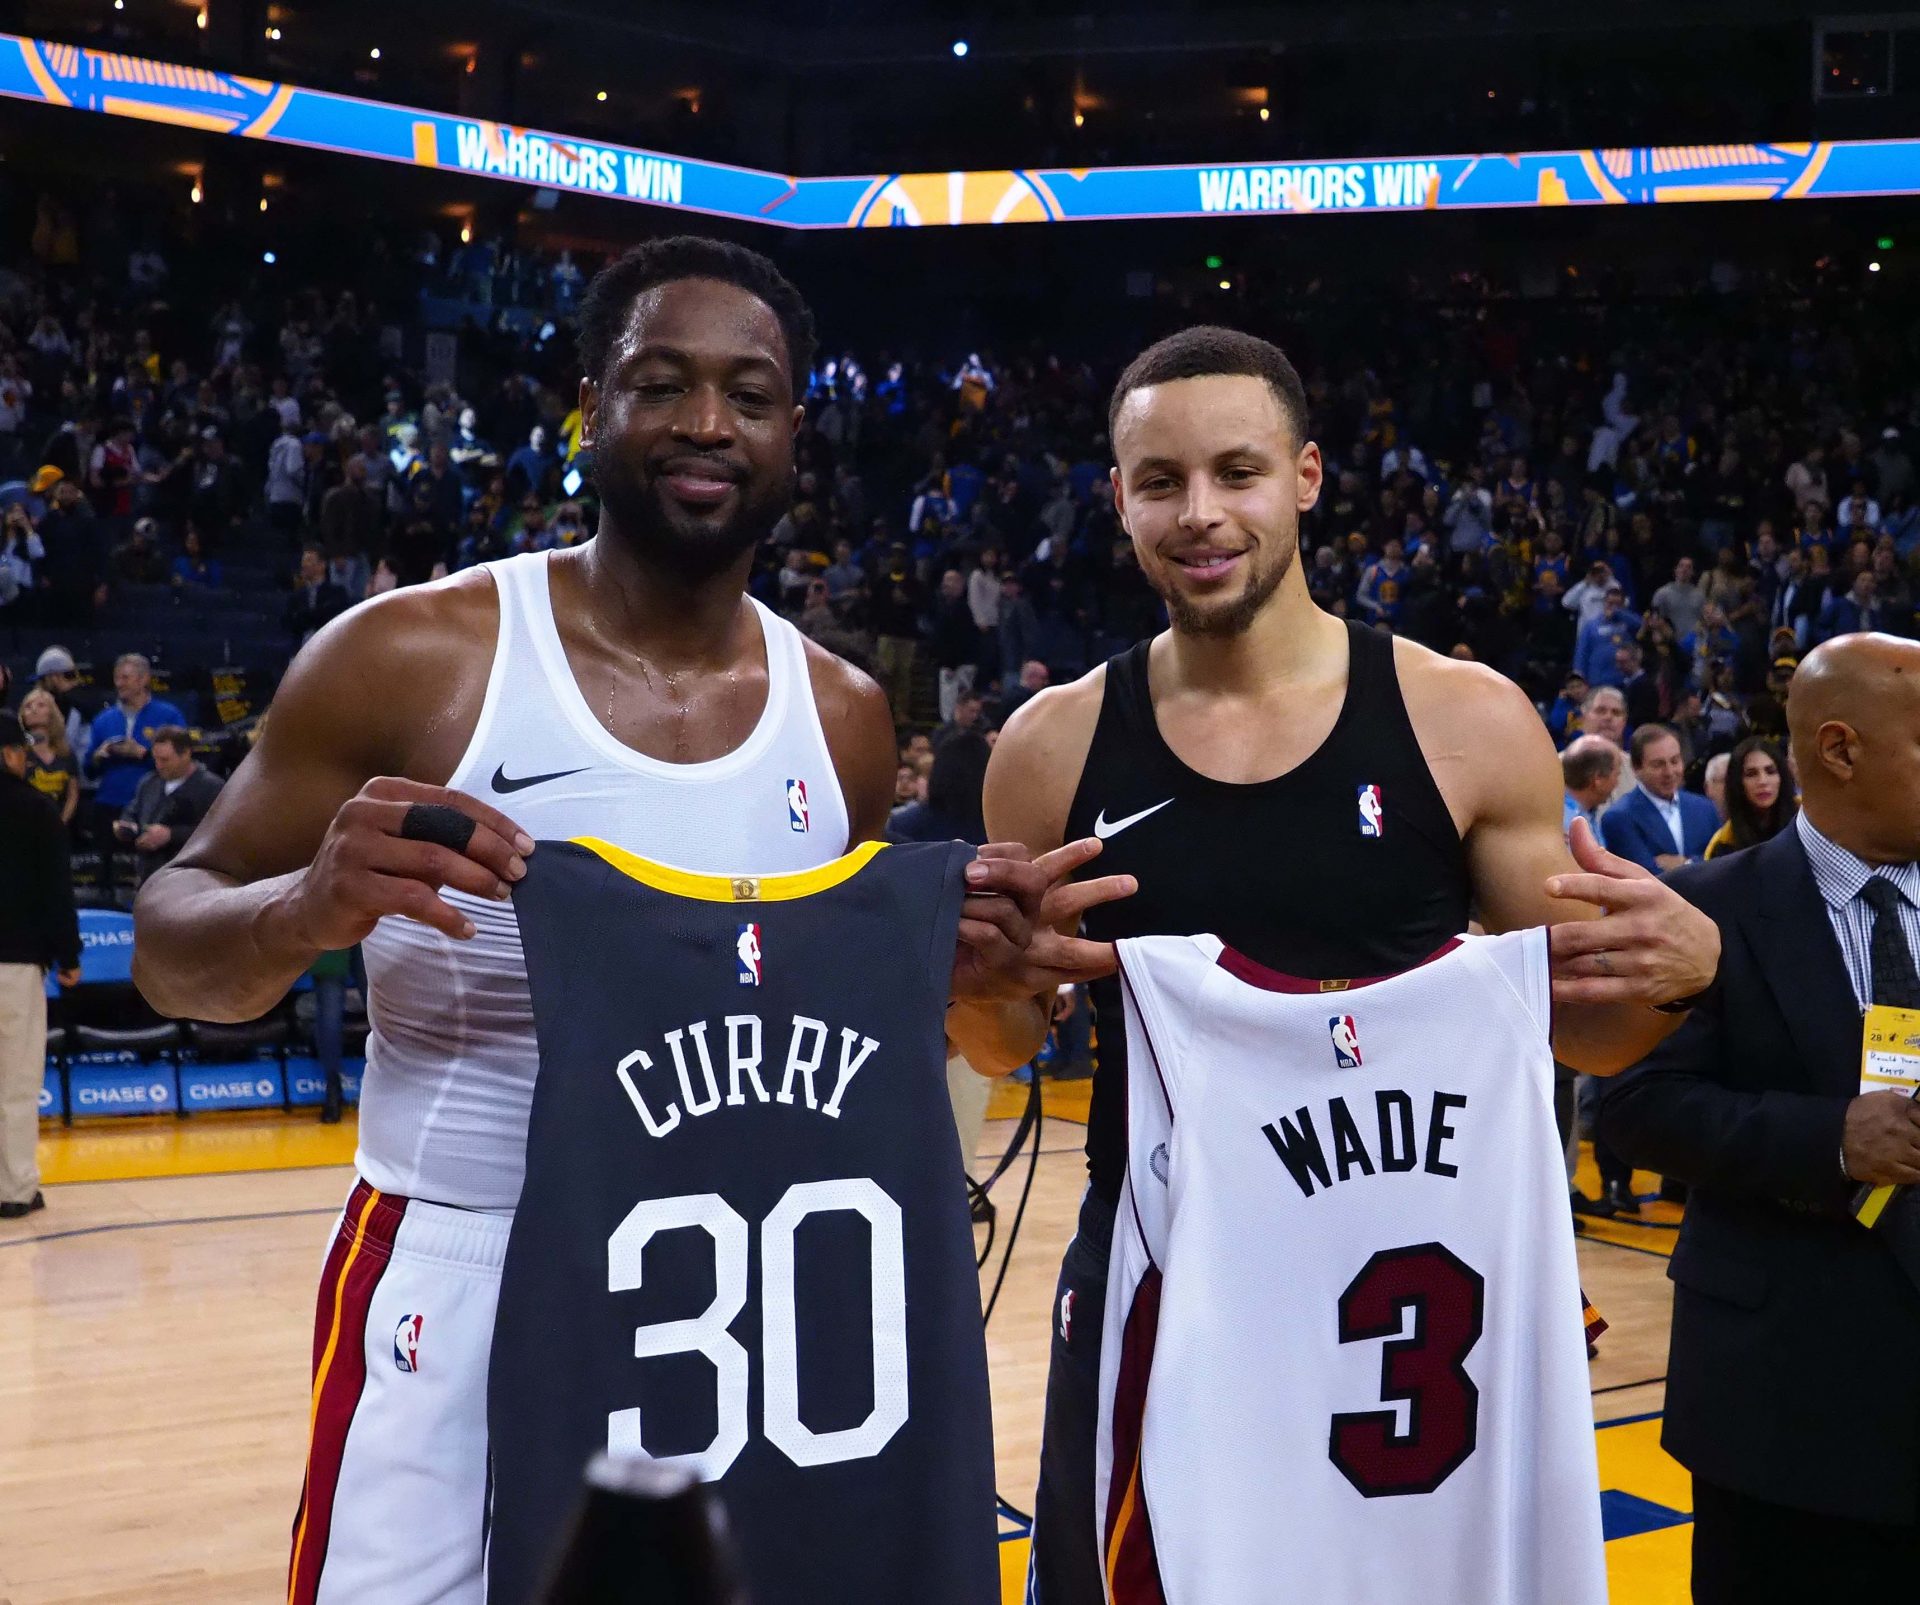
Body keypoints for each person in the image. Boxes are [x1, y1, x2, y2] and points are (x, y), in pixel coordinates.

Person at [129, 237, 1120, 1605]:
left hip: (725, 1277)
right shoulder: (416, 655)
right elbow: (172, 939)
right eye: (663, 384)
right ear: (591, 400)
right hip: (461, 1253)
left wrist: (976, 981)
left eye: (749, 394)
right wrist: (304, 910)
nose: (708, 423)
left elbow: (834, 1014)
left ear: (794, 433)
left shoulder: (836, 714)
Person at [979, 324, 1720, 1605]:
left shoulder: (1462, 718)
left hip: (1401, 1289)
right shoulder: (1050, 748)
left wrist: (1689, 967)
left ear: (1308, 477)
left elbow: (1586, 1035)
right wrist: (988, 980)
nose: (1200, 515)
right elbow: (999, 1047)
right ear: (1118, 498)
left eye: (1237, 472)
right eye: (1160, 482)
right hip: (1158, 1273)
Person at [1599, 633, 1920, 1598]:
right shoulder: (1703, 904)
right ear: (1840, 747)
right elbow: (1633, 1106)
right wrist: (1829, 1138)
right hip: (1783, 1406)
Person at [0, 711, 80, 1220]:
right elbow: (56, 891)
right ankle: (14, 1188)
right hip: (15, 963)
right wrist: (69, 956)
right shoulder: (35, 809)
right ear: (9, 754)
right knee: (16, 1082)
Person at [86, 653, 184, 876]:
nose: (119, 683)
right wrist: (99, 756)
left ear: (143, 679)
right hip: (109, 804)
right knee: (106, 873)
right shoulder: (103, 719)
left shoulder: (169, 715)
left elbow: (182, 760)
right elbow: (87, 770)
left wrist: (143, 753)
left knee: (151, 871)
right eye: (117, 678)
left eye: (125, 677)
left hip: (155, 804)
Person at [1599, 724, 1721, 873]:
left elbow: (1721, 862)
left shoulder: (1705, 808)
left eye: (1675, 761)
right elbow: (1646, 875)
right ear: (1636, 768)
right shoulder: (1618, 817)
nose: (1669, 772)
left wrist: (1687, 863)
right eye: (1658, 765)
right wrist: (1699, 863)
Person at [116, 727, 224, 885]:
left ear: (186, 753)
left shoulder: (211, 787)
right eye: (156, 759)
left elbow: (219, 833)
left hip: (190, 878)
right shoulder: (149, 782)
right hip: (148, 876)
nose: (159, 765)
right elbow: (133, 811)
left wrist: (171, 835)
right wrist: (128, 826)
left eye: (165, 760)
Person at [1703, 736, 1797, 859]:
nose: (1763, 781)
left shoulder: (1808, 819)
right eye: (1751, 774)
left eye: (1770, 771)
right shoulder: (1723, 843)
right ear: (1737, 782)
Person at [18, 686, 79, 830]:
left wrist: (61, 823)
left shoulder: (66, 754)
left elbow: (73, 794)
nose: (33, 709)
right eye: (28, 706)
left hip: (57, 828)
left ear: (52, 713)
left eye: (41, 705)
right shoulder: (18, 753)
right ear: (22, 715)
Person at [286, 542, 349, 646]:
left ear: (322, 565)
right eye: (303, 560)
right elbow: (291, 623)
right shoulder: (296, 596)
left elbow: (331, 619)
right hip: (300, 650)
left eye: (309, 560)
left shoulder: (337, 593)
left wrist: (308, 616)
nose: (304, 564)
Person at [1561, 734, 1620, 840]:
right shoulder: (1561, 824)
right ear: (1598, 778)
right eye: (1617, 775)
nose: (1617, 783)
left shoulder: (1589, 815)